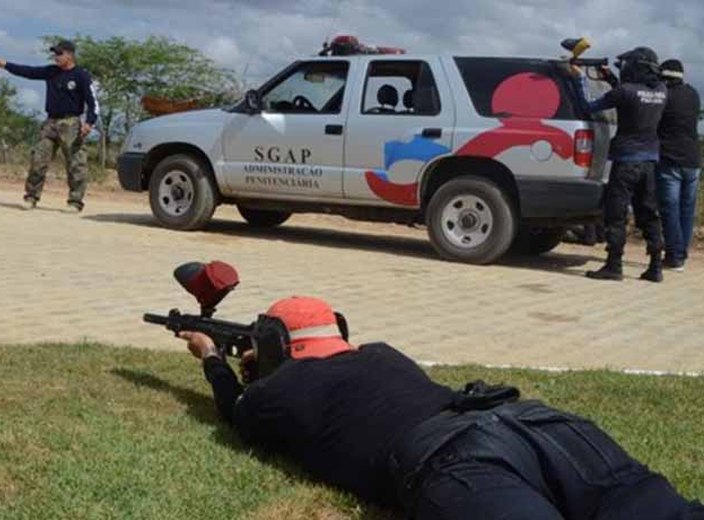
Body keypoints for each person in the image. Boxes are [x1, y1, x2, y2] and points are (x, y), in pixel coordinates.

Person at [180, 296, 704, 519]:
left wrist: (212, 358)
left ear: (272, 343)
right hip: (534, 422)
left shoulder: (281, 391)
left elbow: (237, 411)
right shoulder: (382, 354)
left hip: (455, 458)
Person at [573, 47, 667, 282]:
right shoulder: (662, 91)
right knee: (649, 213)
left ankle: (614, 265)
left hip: (626, 162)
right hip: (649, 162)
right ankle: (656, 267)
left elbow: (588, 105)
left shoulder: (625, 91)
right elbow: (630, 94)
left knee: (616, 213)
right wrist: (609, 77)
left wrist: (580, 78)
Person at [0, 40, 98, 213]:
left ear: (69, 55)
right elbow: (29, 72)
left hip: (71, 123)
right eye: (55, 54)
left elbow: (93, 102)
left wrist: (90, 122)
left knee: (76, 164)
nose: (56, 57)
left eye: (59, 54)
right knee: (38, 160)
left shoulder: (81, 76)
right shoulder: (51, 72)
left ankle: (75, 201)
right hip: (50, 123)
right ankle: (31, 197)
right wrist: (6, 65)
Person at [656, 59, 701, 272]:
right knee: (686, 209)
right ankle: (682, 252)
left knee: (670, 209)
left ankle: (674, 256)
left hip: (670, 159)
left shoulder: (665, 96)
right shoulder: (693, 94)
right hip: (693, 159)